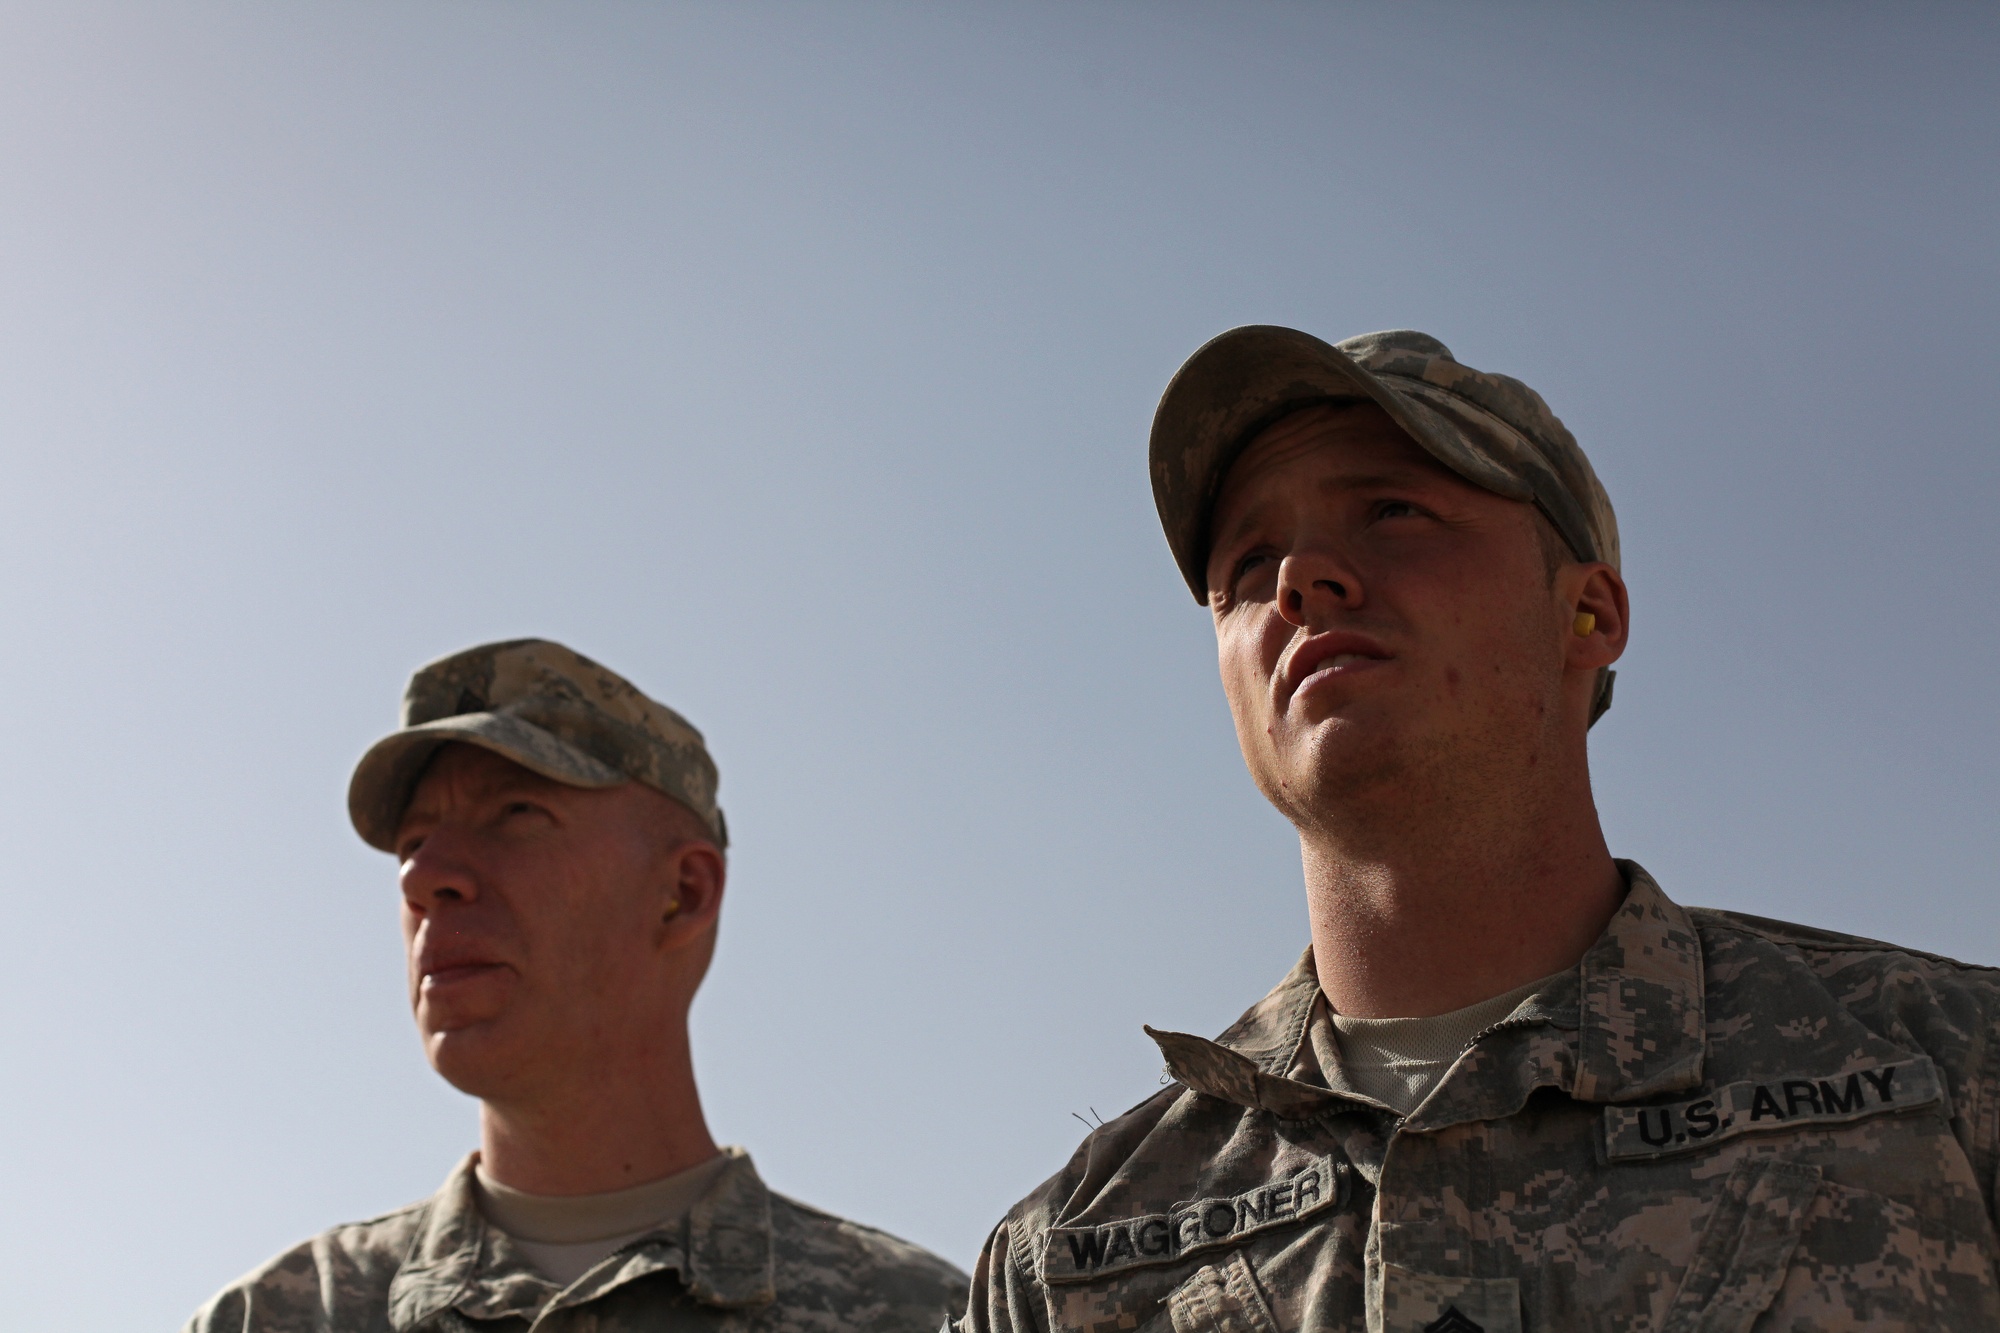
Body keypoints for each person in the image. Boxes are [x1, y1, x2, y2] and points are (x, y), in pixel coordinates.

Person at [954, 327, 2000, 1332]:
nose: (1299, 579)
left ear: (1585, 614)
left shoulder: (1942, 1069)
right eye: (1249, 558)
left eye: (1392, 510)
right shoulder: (1066, 1259)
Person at [187, 638, 967, 1333]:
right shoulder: (280, 1317)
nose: (424, 877)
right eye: (414, 843)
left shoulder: (925, 1317)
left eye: (516, 812)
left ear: (683, 893)